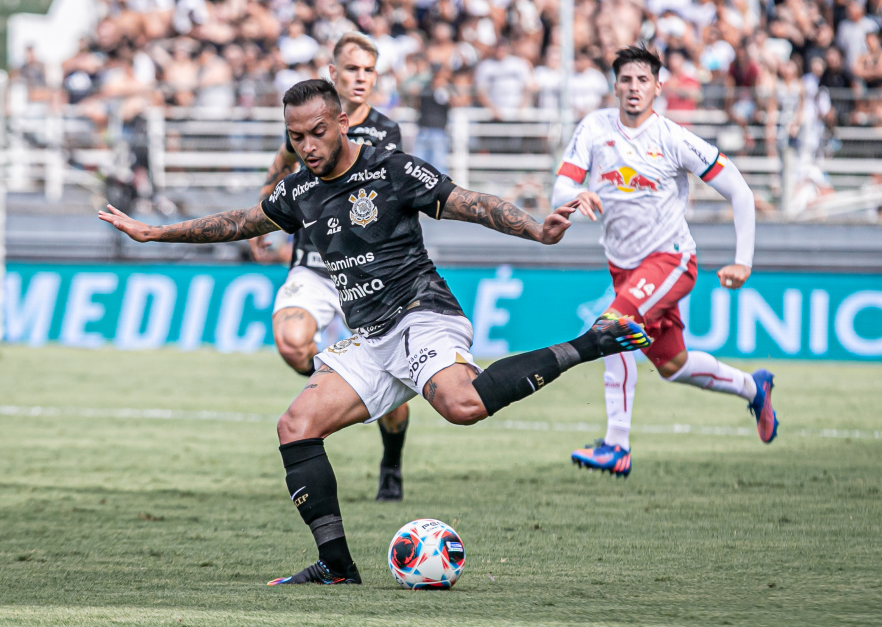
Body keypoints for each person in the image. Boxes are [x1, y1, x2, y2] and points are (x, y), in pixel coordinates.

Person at [100, 78, 650, 585]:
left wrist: (538, 228)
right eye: (297, 138)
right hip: (371, 336)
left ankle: (589, 343)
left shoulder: (392, 170)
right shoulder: (299, 191)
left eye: (317, 132)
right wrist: (153, 234)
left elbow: (471, 203)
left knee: (461, 406)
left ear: (342, 121)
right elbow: (239, 222)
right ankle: (336, 566)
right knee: (295, 426)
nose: (308, 146)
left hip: (421, 311)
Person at [550, 45, 778, 478]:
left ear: (658, 86)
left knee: (612, 327)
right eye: (626, 80)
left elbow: (739, 190)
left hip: (670, 259)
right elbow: (559, 188)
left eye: (642, 80)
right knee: (673, 365)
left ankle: (616, 445)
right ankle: (754, 387)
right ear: (614, 85)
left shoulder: (673, 138)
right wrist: (575, 195)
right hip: (625, 269)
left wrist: (742, 260)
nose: (634, 88)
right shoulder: (595, 128)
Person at [251, 33, 410, 503]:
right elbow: (282, 162)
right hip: (315, 265)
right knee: (292, 343)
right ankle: (340, 381)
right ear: (333, 73)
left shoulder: (386, 133)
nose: (361, 78)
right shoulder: (302, 124)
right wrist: (265, 216)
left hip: (370, 275)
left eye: (369, 70)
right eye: (353, 69)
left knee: (394, 384)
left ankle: (391, 464)